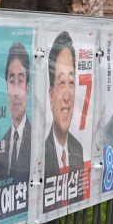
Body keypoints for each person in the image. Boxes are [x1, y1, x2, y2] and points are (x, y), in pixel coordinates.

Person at [44, 32, 84, 207]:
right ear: (51, 94)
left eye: (71, 83)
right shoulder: (41, 154)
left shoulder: (79, 150)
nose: (67, 96)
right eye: (61, 83)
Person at [0, 42, 32, 184]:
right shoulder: (2, 143)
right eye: (11, 81)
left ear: (27, 87)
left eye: (20, 81)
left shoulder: (38, 140)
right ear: (6, 87)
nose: (15, 92)